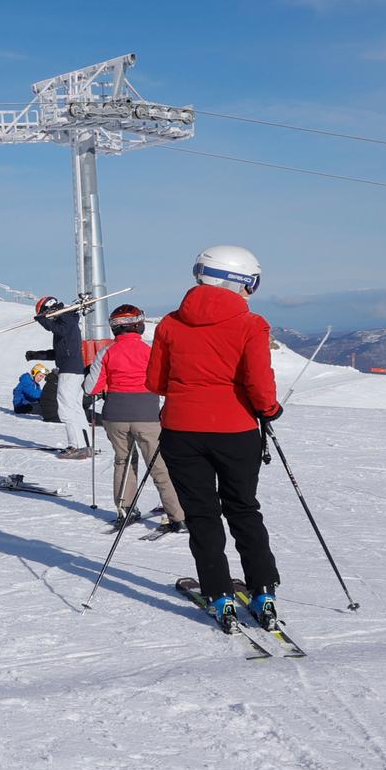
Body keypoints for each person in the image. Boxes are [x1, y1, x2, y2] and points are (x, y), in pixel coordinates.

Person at [148, 245, 283, 627]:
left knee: (202, 514)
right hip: (235, 430)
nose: (251, 292)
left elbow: (155, 381)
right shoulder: (251, 324)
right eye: (252, 284)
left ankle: (219, 595)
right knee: (243, 509)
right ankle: (263, 593)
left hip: (181, 430)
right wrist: (269, 410)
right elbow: (258, 382)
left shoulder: (171, 324)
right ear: (238, 281)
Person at [85, 304, 186, 535]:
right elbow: (166, 384)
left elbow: (91, 388)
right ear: (139, 326)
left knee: (123, 461)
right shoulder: (151, 351)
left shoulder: (105, 353)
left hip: (115, 416)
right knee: (159, 466)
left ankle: (125, 509)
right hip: (147, 416)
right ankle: (177, 516)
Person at [32, 295, 92, 459]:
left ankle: (76, 446)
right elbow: (61, 350)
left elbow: (58, 329)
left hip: (69, 371)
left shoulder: (66, 319)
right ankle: (85, 445)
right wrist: (36, 355)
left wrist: (42, 319)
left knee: (66, 408)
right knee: (75, 408)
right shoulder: (67, 319)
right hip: (73, 369)